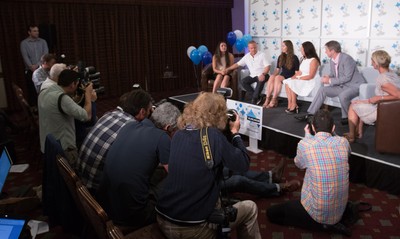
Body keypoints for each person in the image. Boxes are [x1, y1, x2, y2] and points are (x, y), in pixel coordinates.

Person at [156, 92, 261, 239]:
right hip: (192, 229)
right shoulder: (213, 136)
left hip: (163, 217)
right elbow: (243, 164)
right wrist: (235, 133)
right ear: (218, 115)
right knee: (251, 208)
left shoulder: (178, 135)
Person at [267, 109, 351, 236]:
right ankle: (330, 223)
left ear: (312, 127)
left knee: (271, 213)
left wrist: (307, 138)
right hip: (339, 210)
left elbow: (299, 164)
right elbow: (344, 151)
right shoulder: (343, 142)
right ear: (333, 128)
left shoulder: (305, 144)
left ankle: (322, 226)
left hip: (317, 212)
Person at [97, 102, 181, 229]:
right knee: (178, 190)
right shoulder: (162, 137)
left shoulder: (130, 125)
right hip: (133, 216)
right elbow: (177, 175)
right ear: (168, 128)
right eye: (177, 131)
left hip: (105, 205)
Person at [77, 90, 150, 194]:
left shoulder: (109, 114)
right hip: (96, 191)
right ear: (142, 112)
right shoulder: (133, 130)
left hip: (82, 182)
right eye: (149, 110)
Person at [295, 40, 366, 125]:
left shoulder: (347, 59)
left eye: (326, 50)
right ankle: (311, 114)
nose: (325, 52)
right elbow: (333, 74)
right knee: (323, 89)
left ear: (332, 51)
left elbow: (347, 77)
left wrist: (329, 80)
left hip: (354, 85)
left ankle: (347, 117)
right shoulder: (332, 60)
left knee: (343, 95)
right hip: (342, 85)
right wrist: (328, 76)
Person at [38, 69, 96, 167]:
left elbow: (62, 108)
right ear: (72, 85)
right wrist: (89, 97)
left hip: (48, 147)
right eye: (77, 84)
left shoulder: (44, 92)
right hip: (64, 151)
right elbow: (86, 116)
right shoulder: (62, 98)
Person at [344, 50, 400, 143]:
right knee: (359, 101)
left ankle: (352, 136)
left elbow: (398, 95)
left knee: (353, 105)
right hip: (388, 106)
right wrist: (371, 100)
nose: (371, 63)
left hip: (384, 110)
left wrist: (379, 98)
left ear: (377, 64)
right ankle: (359, 131)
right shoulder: (392, 73)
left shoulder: (382, 79)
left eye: (372, 61)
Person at [223, 158, 301, 198]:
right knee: (239, 180)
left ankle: (270, 177)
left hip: (212, 173)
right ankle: (278, 188)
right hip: (212, 185)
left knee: (231, 169)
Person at [225, 40, 271, 105]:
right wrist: (228, 69)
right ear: (249, 48)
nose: (254, 49)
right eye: (252, 48)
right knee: (243, 81)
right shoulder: (247, 57)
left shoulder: (262, 55)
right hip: (253, 75)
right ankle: (258, 96)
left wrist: (263, 74)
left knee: (260, 80)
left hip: (264, 74)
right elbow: (237, 64)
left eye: (255, 47)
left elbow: (267, 66)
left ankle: (254, 100)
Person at [282, 41, 321, 114]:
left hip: (310, 80)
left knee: (292, 83)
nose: (300, 50)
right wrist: (292, 78)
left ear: (307, 49)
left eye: (302, 49)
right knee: (288, 82)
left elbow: (311, 76)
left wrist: (298, 78)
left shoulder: (314, 60)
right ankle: (290, 104)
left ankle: (294, 105)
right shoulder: (304, 59)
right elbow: (300, 72)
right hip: (302, 78)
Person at [263, 40, 299, 108]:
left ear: (288, 47)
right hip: (283, 76)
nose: (282, 47)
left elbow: (297, 72)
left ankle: (274, 99)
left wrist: (292, 79)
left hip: (290, 77)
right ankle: (267, 99)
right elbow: (277, 69)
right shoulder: (281, 56)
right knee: (272, 77)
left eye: (283, 46)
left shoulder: (294, 57)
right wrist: (273, 75)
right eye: (282, 46)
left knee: (277, 78)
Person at [20, 24, 49, 106]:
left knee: (44, 90)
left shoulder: (43, 41)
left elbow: (45, 55)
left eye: (38, 31)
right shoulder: (24, 43)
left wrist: (37, 65)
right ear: (29, 32)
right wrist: (31, 66)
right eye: (34, 31)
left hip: (42, 69)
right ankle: (35, 109)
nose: (37, 32)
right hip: (30, 70)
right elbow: (25, 56)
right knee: (32, 92)